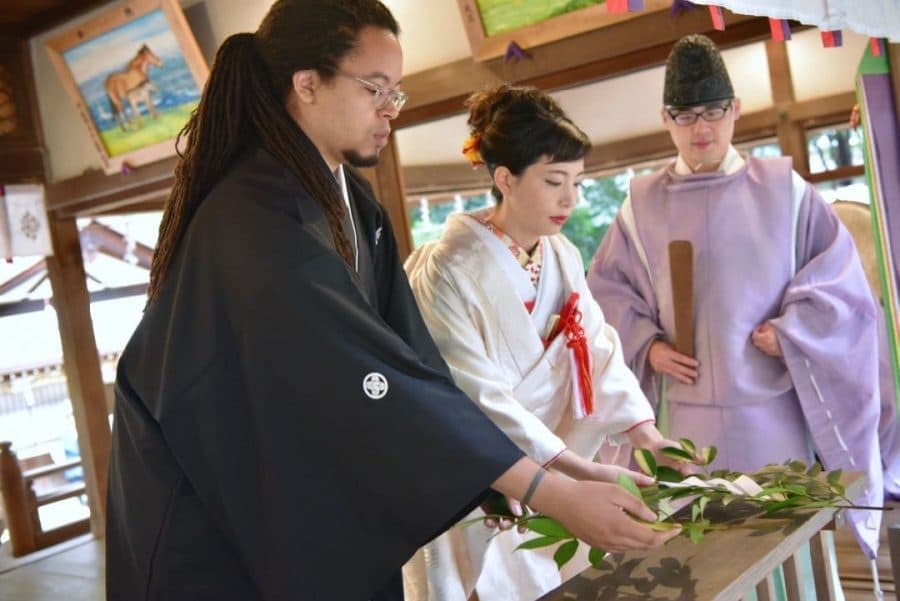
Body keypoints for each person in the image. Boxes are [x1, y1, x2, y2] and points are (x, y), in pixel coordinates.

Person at [105, 2, 678, 600]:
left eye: (396, 92)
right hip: (218, 512)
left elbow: (416, 365)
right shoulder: (255, 224)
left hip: (304, 488)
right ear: (307, 84)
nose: (390, 109)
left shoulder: (352, 203)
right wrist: (546, 488)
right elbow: (377, 384)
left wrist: (555, 470)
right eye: (376, 88)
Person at [587, 34, 883, 558]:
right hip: (684, 425)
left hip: (771, 417)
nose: (701, 127)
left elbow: (841, 286)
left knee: (785, 553)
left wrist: (792, 328)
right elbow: (605, 297)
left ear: (736, 111)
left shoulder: (784, 191)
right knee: (699, 559)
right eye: (685, 114)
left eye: (713, 111)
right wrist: (648, 345)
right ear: (665, 119)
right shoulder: (638, 206)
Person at [403, 84, 679, 601]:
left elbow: (596, 347)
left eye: (577, 181)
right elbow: (475, 397)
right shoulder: (446, 270)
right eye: (555, 181)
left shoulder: (563, 254)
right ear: (505, 178)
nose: (570, 199)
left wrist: (648, 438)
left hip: (558, 463)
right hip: (486, 475)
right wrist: (570, 472)